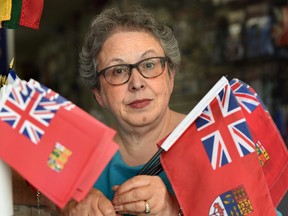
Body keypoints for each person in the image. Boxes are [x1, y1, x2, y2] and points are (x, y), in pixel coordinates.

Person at [61, 6, 185, 216]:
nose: (137, 83)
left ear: (170, 77)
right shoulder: (83, 162)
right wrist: (66, 205)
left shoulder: (212, 141)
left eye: (149, 65)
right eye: (118, 71)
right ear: (98, 93)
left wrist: (175, 210)